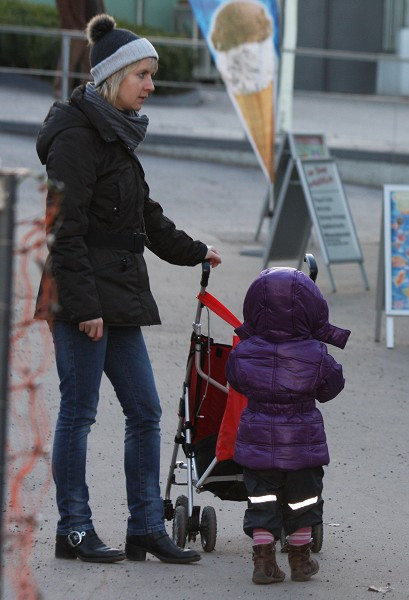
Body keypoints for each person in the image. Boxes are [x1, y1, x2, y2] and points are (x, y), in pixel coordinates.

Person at [36, 14, 222, 564]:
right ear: (114, 77)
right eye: (143, 74)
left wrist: (194, 251)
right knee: (80, 413)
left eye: (152, 75)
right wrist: (84, 308)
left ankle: (145, 525)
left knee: (146, 410)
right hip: (84, 301)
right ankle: (74, 529)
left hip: (118, 295)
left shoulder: (116, 132)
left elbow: (145, 216)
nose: (151, 85)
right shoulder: (77, 136)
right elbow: (63, 230)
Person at [225, 267, 349, 585]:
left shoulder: (244, 352)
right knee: (304, 500)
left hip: (257, 443)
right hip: (302, 445)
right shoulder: (316, 354)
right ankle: (300, 559)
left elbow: (236, 380)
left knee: (262, 499)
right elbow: (332, 387)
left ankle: (264, 559)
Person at [54, 0, 106, 98]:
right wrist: (71, 27)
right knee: (68, 61)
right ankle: (60, 91)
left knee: (91, 66)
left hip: (93, 30)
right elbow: (63, 6)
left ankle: (88, 96)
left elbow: (99, 6)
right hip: (76, 30)